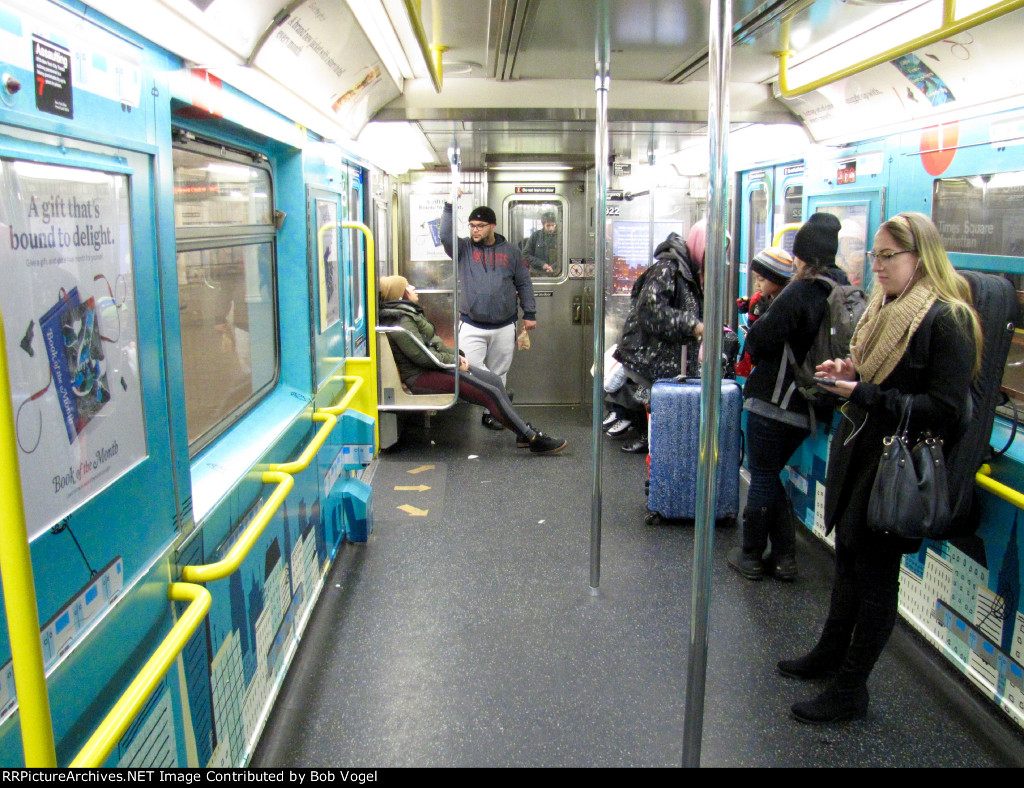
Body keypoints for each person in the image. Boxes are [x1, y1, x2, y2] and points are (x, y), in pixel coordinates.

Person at [780, 212, 980, 724]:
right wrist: (850, 372)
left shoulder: (947, 319)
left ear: (921, 257)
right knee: (847, 563)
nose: (878, 266)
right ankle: (829, 654)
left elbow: (945, 409)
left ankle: (851, 688)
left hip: (897, 469)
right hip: (864, 455)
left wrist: (864, 392)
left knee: (875, 580)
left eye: (889, 256)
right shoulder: (884, 310)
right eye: (875, 255)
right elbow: (878, 375)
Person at [727, 214, 846, 582]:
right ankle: (783, 558)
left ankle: (750, 554)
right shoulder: (842, 292)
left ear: (803, 256)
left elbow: (759, 340)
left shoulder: (800, 291)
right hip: (811, 406)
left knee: (763, 476)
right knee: (771, 476)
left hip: (774, 402)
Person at [377, 275, 567, 455]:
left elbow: (434, 346)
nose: (413, 288)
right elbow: (421, 356)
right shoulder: (401, 320)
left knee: (493, 380)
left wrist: (457, 355)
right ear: (400, 294)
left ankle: (522, 432)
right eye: (407, 286)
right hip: (420, 376)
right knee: (489, 393)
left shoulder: (408, 314)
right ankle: (532, 439)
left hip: (432, 368)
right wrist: (455, 362)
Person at [611, 221, 710, 455]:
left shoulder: (692, 271)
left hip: (671, 360)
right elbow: (649, 310)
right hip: (653, 357)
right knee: (661, 427)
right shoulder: (667, 269)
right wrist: (692, 325)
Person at [440, 200, 537, 431]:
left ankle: (493, 414)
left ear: (492, 226)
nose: (475, 230)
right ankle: (498, 396)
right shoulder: (464, 249)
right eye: (472, 225)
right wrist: (449, 206)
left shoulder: (511, 252)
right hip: (471, 323)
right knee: (469, 367)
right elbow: (445, 236)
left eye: (480, 226)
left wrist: (530, 312)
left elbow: (523, 282)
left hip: (504, 324)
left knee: (500, 371)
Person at [734, 247, 796, 377]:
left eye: (761, 279)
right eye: (755, 278)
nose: (757, 284)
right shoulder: (760, 300)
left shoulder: (788, 306)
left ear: (776, 279)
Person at [522, 210, 561, 276]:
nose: (551, 229)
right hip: (538, 275)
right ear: (543, 224)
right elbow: (525, 254)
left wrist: (554, 267)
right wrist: (542, 264)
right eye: (548, 225)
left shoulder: (560, 237)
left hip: (557, 274)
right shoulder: (535, 236)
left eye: (553, 225)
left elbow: (564, 255)